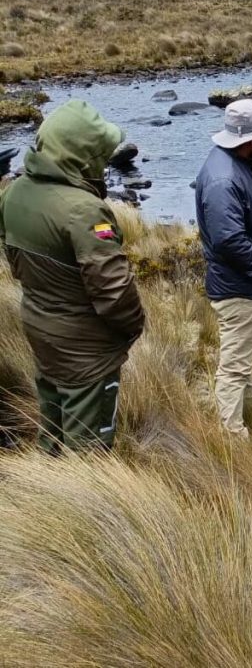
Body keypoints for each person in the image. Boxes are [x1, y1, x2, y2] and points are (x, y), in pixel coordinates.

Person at [0, 99, 145, 453]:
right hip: (86, 351)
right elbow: (114, 291)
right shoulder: (84, 211)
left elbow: (15, 263)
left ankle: (46, 483)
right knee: (88, 450)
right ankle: (76, 490)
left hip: (41, 330)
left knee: (52, 430)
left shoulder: (14, 193)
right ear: (82, 156)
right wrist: (133, 328)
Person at [195, 99, 252, 439]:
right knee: (234, 368)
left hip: (241, 284)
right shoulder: (225, 178)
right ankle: (232, 437)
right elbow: (228, 240)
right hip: (239, 288)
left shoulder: (237, 164)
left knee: (241, 360)